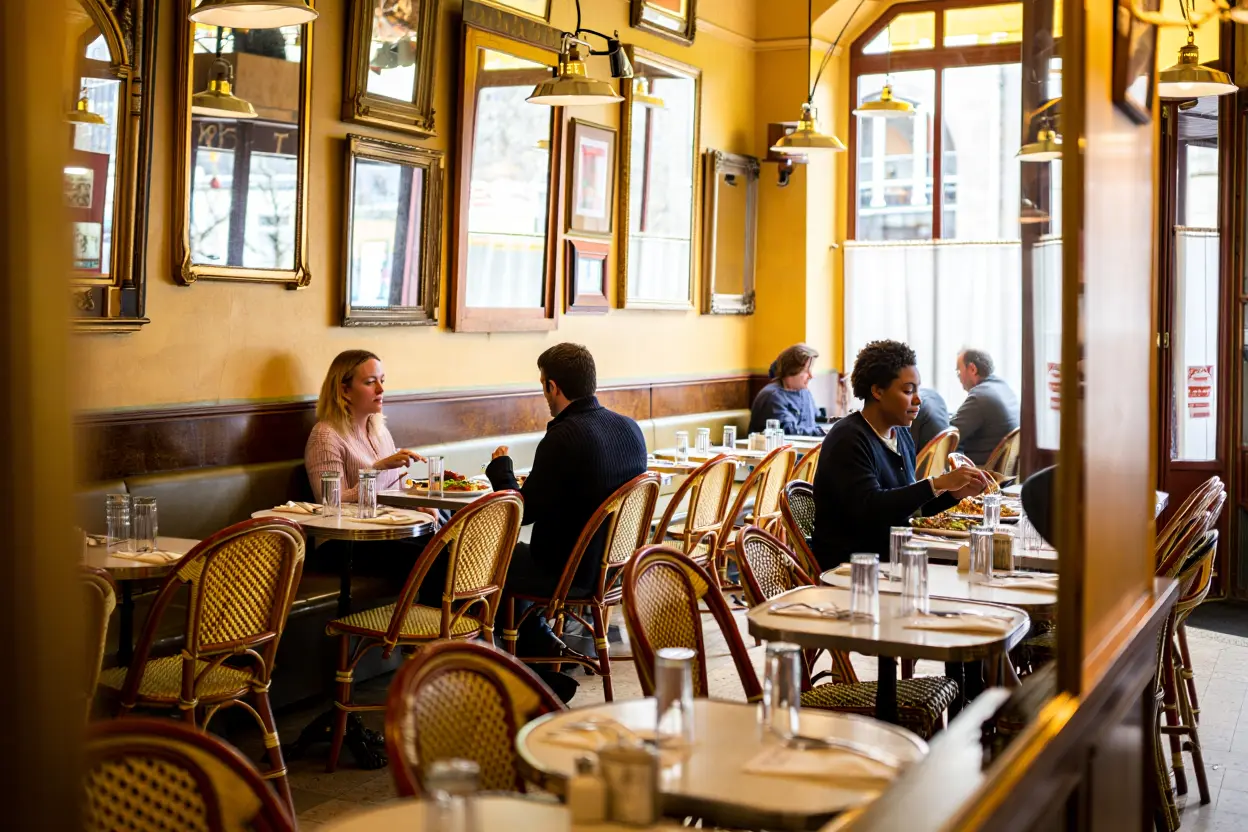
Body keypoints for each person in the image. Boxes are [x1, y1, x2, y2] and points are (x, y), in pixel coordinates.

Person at [486, 343, 648, 660]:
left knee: (487, 558)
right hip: (615, 569)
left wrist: (501, 471)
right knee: (511, 555)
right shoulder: (630, 428)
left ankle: (512, 661)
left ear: (552, 386)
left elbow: (523, 513)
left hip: (567, 572)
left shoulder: (563, 437)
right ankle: (540, 647)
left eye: (543, 386)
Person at [811, 340, 992, 570]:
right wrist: (937, 483)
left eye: (917, 389)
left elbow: (906, 507)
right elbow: (870, 509)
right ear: (877, 391)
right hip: (851, 567)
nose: (918, 399)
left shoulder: (901, 435)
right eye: (908, 391)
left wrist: (954, 494)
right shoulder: (848, 438)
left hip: (893, 559)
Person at [305, 349, 425, 502]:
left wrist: (419, 502)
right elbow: (332, 502)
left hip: (397, 515)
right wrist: (377, 470)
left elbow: (394, 489)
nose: (381, 389)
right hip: (366, 519)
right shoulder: (325, 436)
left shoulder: (380, 430)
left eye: (382, 381)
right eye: (370, 382)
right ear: (345, 391)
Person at [950, 348, 1020, 467]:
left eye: (959, 372)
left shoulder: (980, 397)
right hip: (1004, 470)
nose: (959, 378)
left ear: (972, 369)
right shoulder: (1004, 388)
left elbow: (950, 436)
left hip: (982, 471)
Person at [749, 344, 825, 437]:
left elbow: (818, 420)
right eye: (806, 371)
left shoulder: (805, 393)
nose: (811, 376)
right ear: (791, 370)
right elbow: (788, 432)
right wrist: (823, 432)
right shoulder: (773, 396)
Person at [909, 386, 950, 453]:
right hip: (944, 452)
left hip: (928, 456)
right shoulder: (932, 394)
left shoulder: (913, 407)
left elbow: (907, 453)